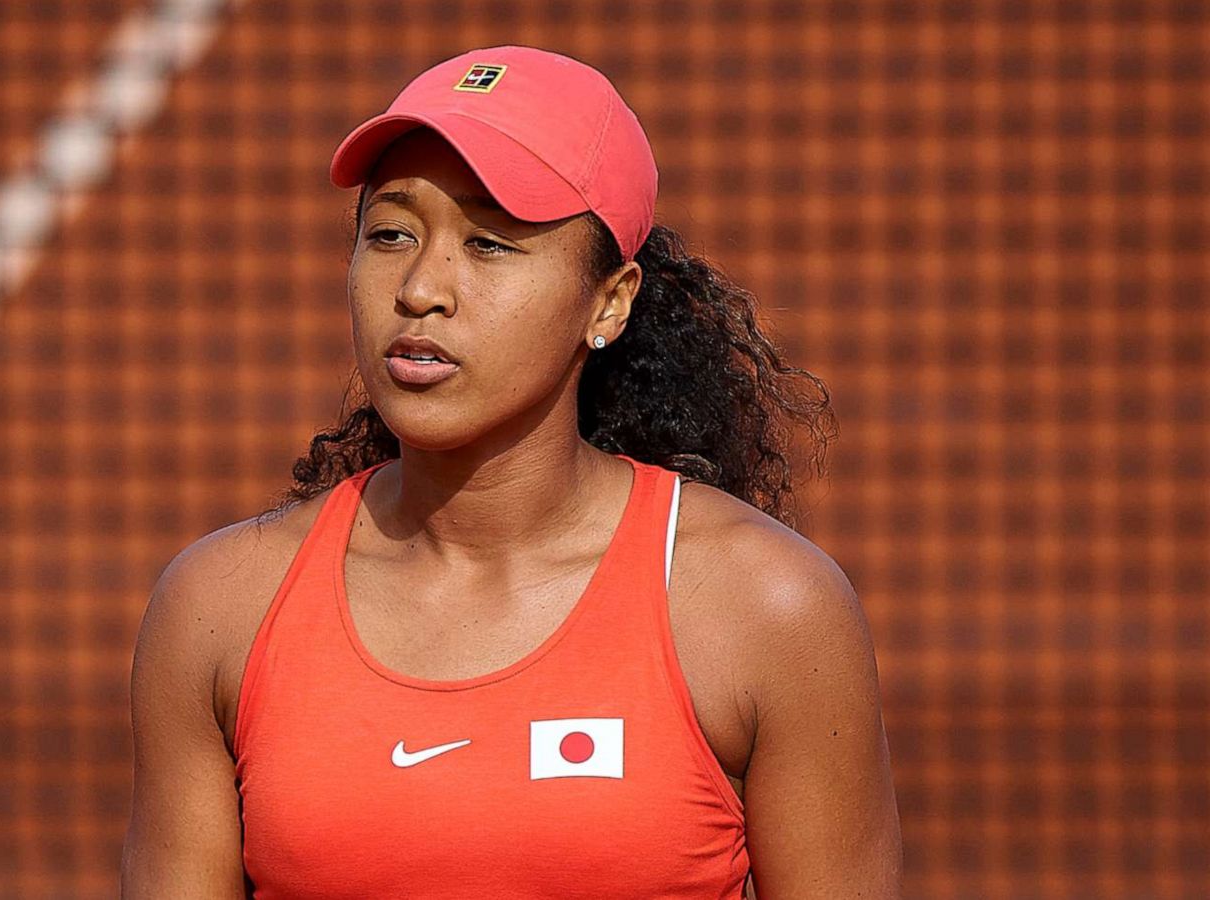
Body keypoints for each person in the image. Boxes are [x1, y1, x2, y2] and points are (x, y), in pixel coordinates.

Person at [123, 45, 902, 899]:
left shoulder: (763, 607)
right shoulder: (218, 609)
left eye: (490, 245)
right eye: (390, 233)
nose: (421, 288)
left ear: (609, 302)